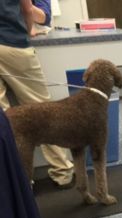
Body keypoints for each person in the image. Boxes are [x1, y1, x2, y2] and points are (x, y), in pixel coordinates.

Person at [0, 0, 74, 188]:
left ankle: (17, 179)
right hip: (12, 43)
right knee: (42, 110)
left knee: (3, 118)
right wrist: (28, 29)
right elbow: (27, 8)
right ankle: (62, 171)